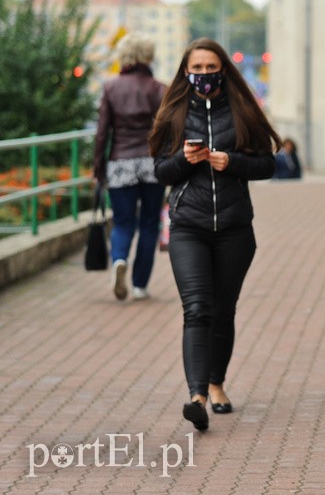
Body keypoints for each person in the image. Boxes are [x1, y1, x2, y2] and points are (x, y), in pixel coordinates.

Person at [149, 37, 283, 432]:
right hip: (188, 226)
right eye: (197, 68)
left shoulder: (242, 110)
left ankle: (217, 383)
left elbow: (269, 165)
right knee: (197, 309)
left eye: (211, 68)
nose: (204, 75)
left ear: (223, 68)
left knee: (224, 310)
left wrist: (233, 162)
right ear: (185, 71)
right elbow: (159, 171)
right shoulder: (173, 112)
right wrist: (183, 161)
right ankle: (197, 397)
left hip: (234, 228)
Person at [93, 33, 166, 301]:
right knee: (149, 224)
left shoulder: (111, 88)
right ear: (149, 56)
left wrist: (99, 168)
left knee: (123, 223)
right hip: (152, 162)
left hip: (120, 162)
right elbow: (166, 131)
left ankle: (120, 259)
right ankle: (139, 285)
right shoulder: (159, 88)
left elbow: (102, 133)